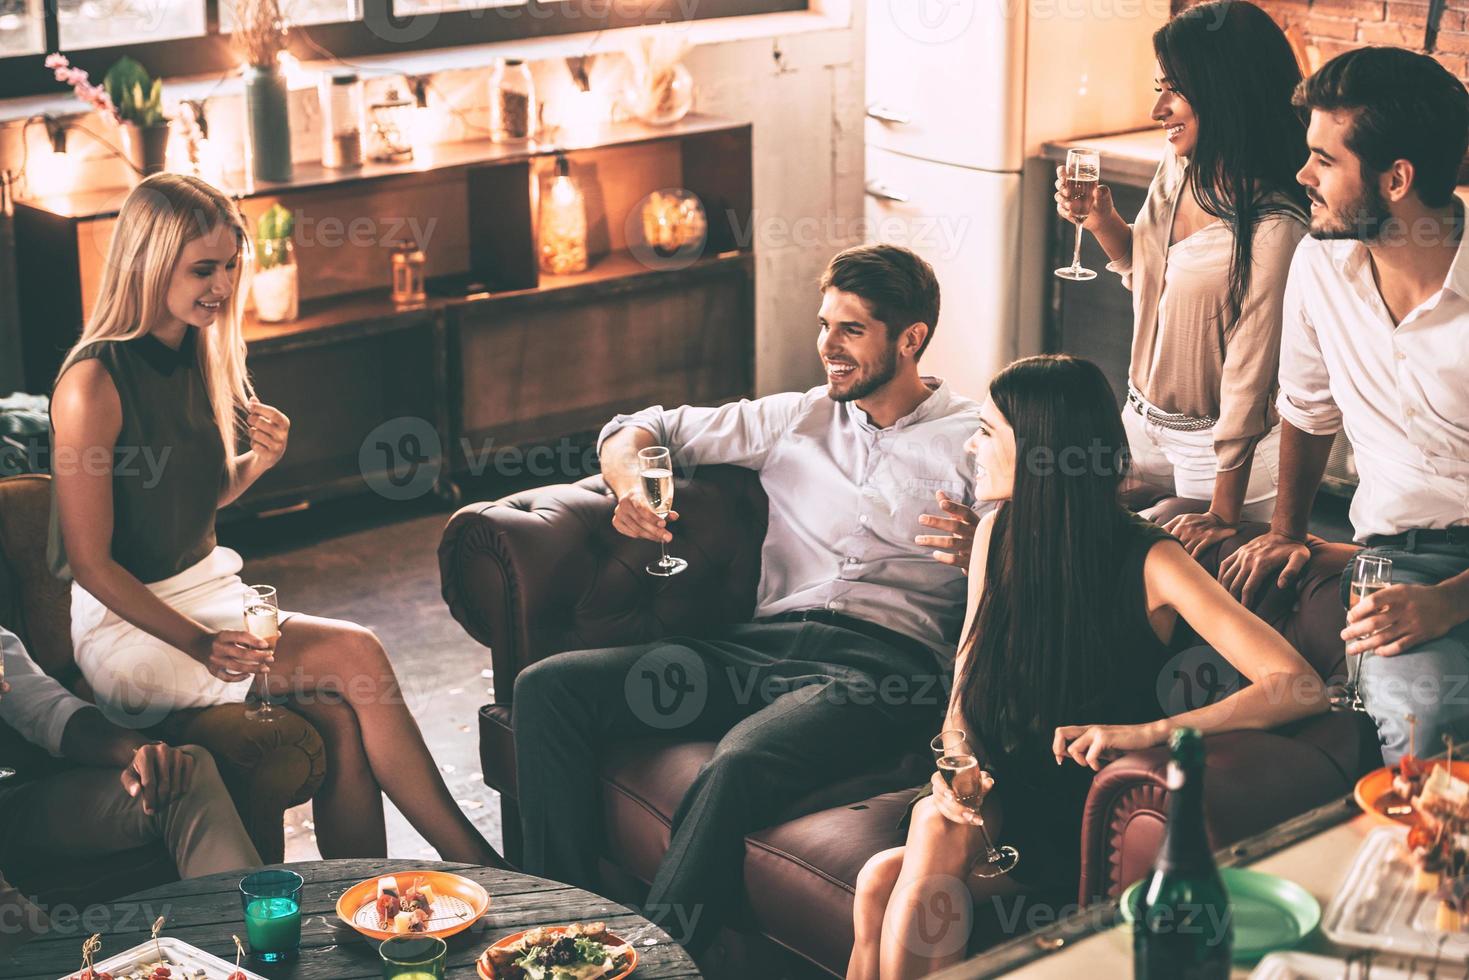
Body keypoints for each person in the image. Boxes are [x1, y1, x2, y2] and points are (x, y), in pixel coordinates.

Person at [513, 244, 983, 952]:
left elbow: (1057, 543)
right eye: (823, 325)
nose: (826, 346)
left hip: (884, 669)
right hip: (758, 646)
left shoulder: (973, 442)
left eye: (850, 330)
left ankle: (652, 962)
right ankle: (563, 930)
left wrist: (988, 541)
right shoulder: (795, 417)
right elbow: (639, 428)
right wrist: (630, 483)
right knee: (549, 689)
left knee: (737, 763)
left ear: (910, 339)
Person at [47, 173, 503, 866]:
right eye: (204, 269)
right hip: (128, 630)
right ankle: (481, 869)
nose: (223, 286)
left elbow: (191, 503)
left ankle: (369, 906)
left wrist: (256, 463)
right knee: (357, 654)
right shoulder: (91, 385)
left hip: (209, 595)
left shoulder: (196, 350)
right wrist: (201, 644)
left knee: (345, 720)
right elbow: (91, 563)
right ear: (146, 261)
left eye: (231, 266)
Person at [844, 355, 1327, 980]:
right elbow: (967, 673)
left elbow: (1299, 686)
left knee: (912, 856)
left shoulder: (1153, 560)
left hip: (1070, 811)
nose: (972, 444)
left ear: (1043, 449)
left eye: (989, 431)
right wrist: (956, 764)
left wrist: (1145, 735)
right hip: (994, 788)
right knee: (881, 877)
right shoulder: (997, 533)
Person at [1219, 48, 1469, 763]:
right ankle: (1424, 865)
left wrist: (1451, 603)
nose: (1302, 178)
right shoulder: (1319, 262)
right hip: (1397, 560)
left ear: (1396, 179)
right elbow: (1307, 405)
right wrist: (1287, 530)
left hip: (1450, 585)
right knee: (1423, 718)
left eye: (1323, 161)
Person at [1055, 0, 1309, 554]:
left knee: (1169, 592)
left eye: (1174, 90)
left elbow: (1251, 376)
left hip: (1220, 457)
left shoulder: (1276, 228)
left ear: (1225, 91)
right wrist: (1101, 222)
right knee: (1062, 525)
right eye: (1159, 87)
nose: (1157, 109)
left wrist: (1223, 510)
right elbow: (1149, 277)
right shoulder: (1179, 169)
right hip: (1141, 421)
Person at [0, 625, 261, 954]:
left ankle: (244, 958)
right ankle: (59, 967)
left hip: (12, 808)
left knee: (180, 773)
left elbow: (50, 711)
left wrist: (139, 751)